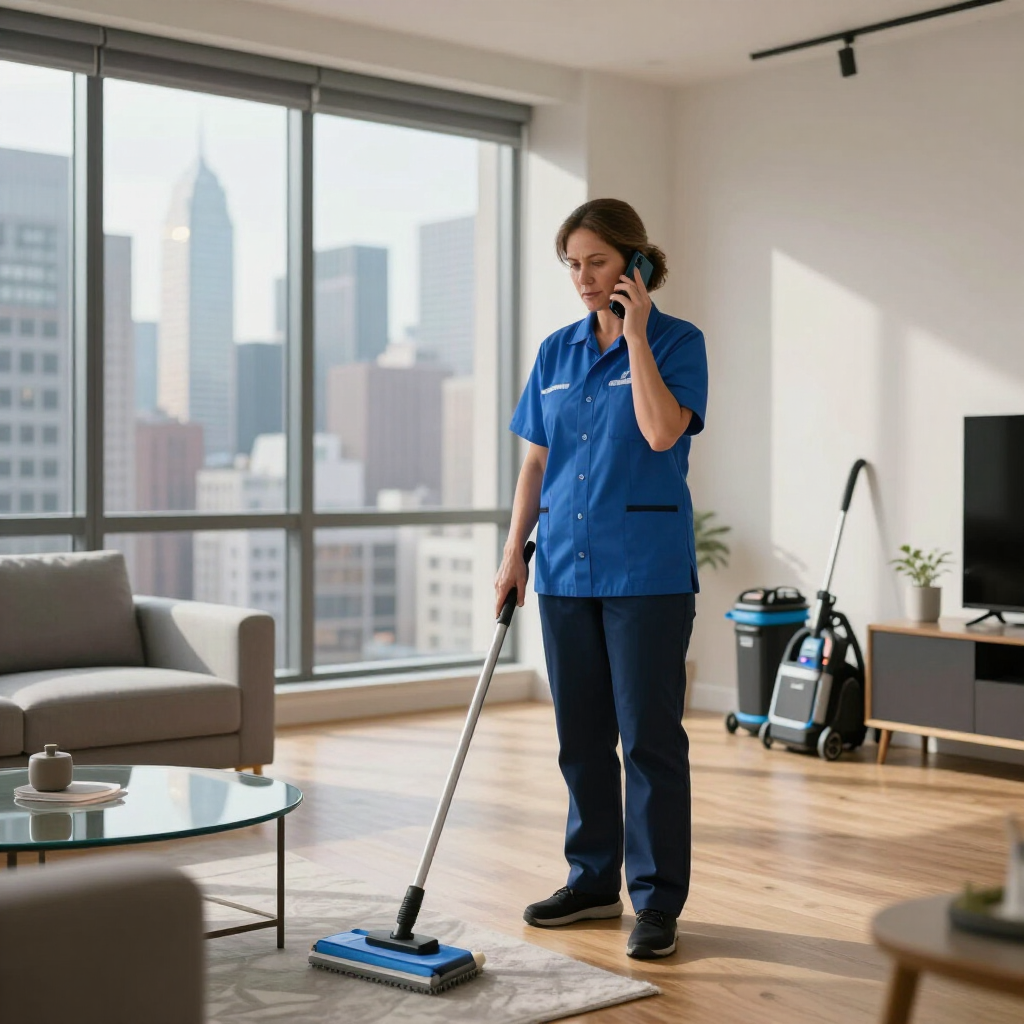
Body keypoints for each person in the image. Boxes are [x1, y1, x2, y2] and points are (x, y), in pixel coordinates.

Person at [495, 198, 708, 960]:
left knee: (649, 740)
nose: (584, 279)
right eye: (573, 266)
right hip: (563, 572)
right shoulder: (555, 353)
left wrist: (639, 335)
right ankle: (590, 883)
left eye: (597, 263)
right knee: (581, 738)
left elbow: (659, 431)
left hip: (645, 573)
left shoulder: (680, 342)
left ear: (634, 263)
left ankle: (656, 904)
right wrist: (513, 551)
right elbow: (536, 461)